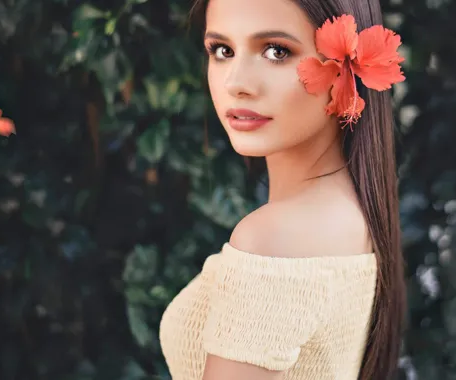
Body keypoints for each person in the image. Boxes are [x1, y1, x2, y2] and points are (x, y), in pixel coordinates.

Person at [158, 0, 407, 379]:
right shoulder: (353, 215)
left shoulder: (275, 239)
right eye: (222, 50)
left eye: (277, 51)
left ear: (349, 68)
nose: (236, 83)